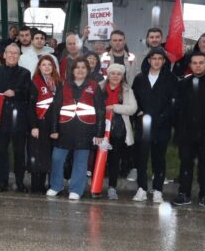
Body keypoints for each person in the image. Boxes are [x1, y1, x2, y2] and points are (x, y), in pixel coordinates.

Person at [47, 58, 105, 200]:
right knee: (57, 158)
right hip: (64, 129)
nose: (80, 70)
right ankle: (56, 185)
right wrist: (54, 129)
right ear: (72, 70)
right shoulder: (64, 85)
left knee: (81, 161)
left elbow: (100, 111)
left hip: (85, 130)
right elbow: (56, 108)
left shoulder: (94, 86)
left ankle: (76, 189)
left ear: (88, 70)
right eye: (77, 67)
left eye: (83, 68)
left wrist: (99, 133)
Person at [171, 52, 205, 208]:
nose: (198, 65)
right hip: (186, 133)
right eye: (194, 63)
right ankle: (184, 193)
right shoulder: (182, 84)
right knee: (185, 164)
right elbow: (176, 108)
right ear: (190, 65)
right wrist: (178, 129)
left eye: (201, 62)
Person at [0, 44, 31, 191]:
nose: (12, 55)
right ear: (4, 55)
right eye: (9, 53)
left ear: (19, 56)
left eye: (16, 53)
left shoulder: (25, 73)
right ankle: (2, 181)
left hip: (19, 119)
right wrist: (1, 93)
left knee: (19, 152)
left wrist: (16, 93)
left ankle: (20, 182)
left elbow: (28, 94)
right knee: (1, 151)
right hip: (0, 118)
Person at [131, 48, 177, 203]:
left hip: (162, 126)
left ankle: (158, 190)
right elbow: (133, 99)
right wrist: (138, 112)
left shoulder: (171, 79)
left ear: (164, 61)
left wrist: (163, 117)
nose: (157, 61)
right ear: (149, 60)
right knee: (141, 159)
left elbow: (173, 102)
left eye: (160, 58)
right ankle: (142, 189)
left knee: (159, 159)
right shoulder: (140, 78)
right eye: (154, 58)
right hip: (142, 126)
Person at [97, 63, 138, 200]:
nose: (115, 76)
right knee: (97, 158)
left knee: (114, 160)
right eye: (112, 73)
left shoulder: (127, 90)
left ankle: (112, 188)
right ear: (108, 74)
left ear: (122, 76)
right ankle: (96, 185)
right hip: (99, 128)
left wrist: (113, 107)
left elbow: (132, 109)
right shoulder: (99, 87)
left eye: (118, 74)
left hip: (118, 130)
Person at [28, 55, 60, 194]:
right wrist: (33, 126)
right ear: (39, 67)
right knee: (38, 155)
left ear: (53, 67)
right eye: (44, 65)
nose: (47, 67)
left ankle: (51, 185)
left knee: (50, 156)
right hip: (39, 124)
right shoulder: (34, 82)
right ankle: (37, 186)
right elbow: (30, 106)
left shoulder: (59, 83)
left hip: (54, 125)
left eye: (49, 65)